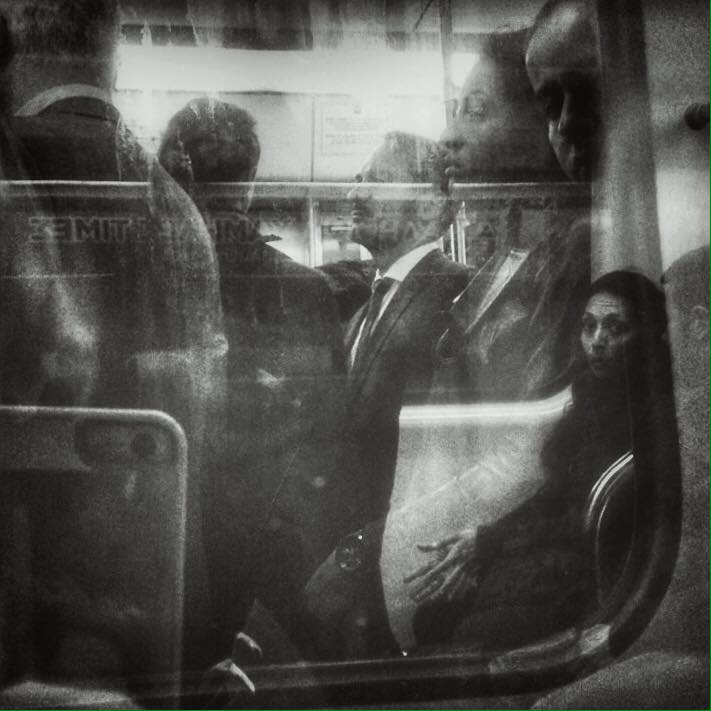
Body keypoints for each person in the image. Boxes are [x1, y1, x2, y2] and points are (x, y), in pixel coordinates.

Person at [1, 0, 227, 679]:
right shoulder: (175, 205)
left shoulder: (15, 178)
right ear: (115, 54)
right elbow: (209, 411)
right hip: (159, 581)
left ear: (14, 46)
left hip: (28, 601)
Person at [159, 98, 351, 658]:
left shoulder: (151, 281)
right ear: (249, 183)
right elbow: (330, 429)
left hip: (172, 528)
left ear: (174, 181)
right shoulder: (307, 291)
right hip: (277, 538)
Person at [406, 271, 678, 650]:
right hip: (561, 555)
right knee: (431, 618)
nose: (597, 341)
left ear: (649, 335)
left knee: (463, 634)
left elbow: (602, 524)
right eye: (589, 326)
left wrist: (490, 542)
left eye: (616, 328)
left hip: (603, 577)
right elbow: (554, 495)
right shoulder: (590, 396)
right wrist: (484, 538)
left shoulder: (658, 416)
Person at [303, 131, 471, 659]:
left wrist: (358, 554)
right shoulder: (366, 308)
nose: (354, 192)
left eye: (374, 180)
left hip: (402, 572)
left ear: (425, 205)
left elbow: (447, 462)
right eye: (357, 179)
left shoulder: (455, 295)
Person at [437, 22, 593, 401]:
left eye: (476, 111)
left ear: (545, 122)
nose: (448, 137)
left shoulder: (579, 250)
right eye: (456, 111)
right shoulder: (513, 253)